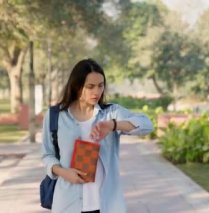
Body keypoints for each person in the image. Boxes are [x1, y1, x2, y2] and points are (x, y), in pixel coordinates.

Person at [41, 58, 154, 213]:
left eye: (101, 86)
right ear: (76, 86)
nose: (97, 92)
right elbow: (47, 154)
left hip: (106, 205)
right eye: (90, 86)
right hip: (68, 204)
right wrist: (63, 172)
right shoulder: (55, 115)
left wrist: (113, 125)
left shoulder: (111, 113)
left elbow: (147, 124)